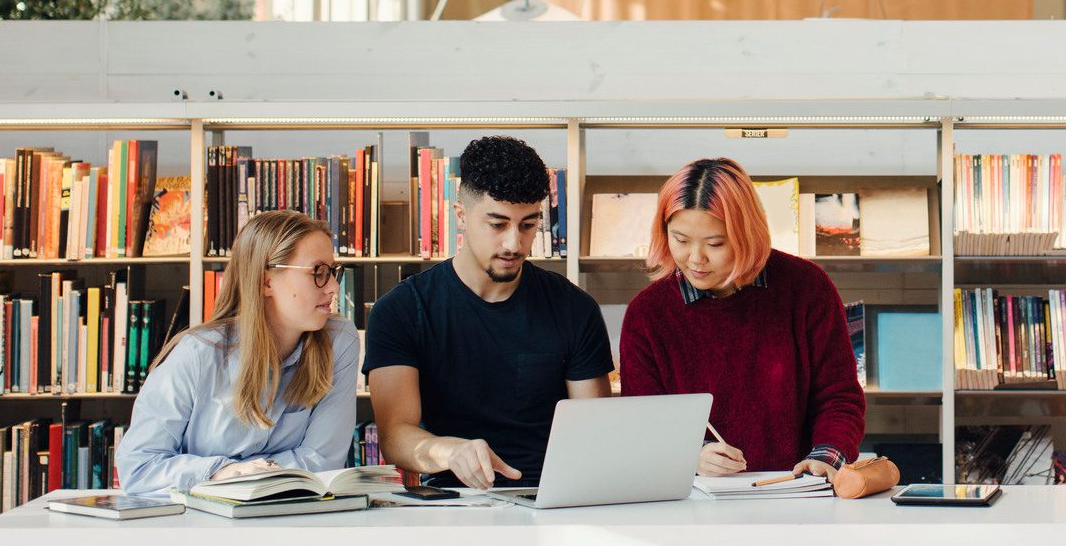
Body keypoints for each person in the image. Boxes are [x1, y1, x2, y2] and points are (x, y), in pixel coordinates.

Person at [365, 134, 613, 490]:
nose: (515, 244)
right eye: (497, 224)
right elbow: (395, 437)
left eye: (528, 225)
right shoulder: (401, 310)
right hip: (452, 501)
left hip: (553, 496)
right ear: (460, 215)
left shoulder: (574, 308)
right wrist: (447, 451)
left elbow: (595, 432)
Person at [620, 156, 865, 481]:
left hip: (795, 492)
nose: (695, 259)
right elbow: (643, 422)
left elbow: (839, 396)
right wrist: (691, 454)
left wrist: (826, 457)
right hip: (693, 499)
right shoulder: (647, 314)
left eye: (716, 243)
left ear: (747, 232)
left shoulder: (807, 288)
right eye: (680, 239)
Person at [118, 208, 360, 496]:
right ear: (266, 282)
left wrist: (244, 475)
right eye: (318, 273)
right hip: (202, 526)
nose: (333, 287)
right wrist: (221, 471)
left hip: (293, 521)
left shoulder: (339, 342)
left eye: (334, 272)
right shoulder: (197, 354)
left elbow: (323, 463)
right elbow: (138, 467)